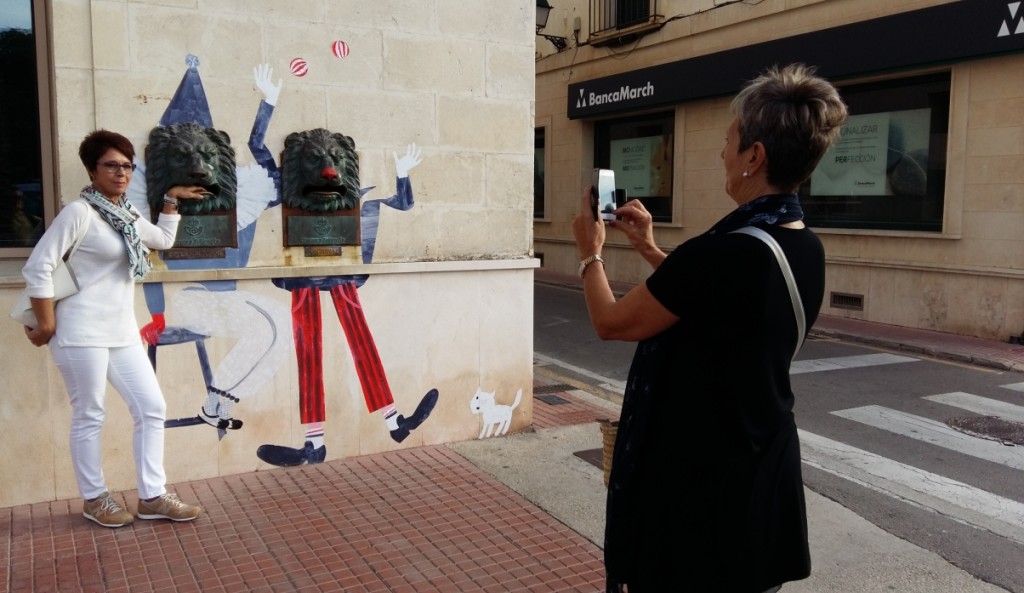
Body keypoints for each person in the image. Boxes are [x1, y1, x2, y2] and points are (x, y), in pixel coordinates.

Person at [572, 63, 848, 592]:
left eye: (729, 141)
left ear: (754, 156)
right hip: (762, 479)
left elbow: (611, 322)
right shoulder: (803, 246)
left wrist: (590, 254)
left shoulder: (720, 254)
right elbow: (718, 302)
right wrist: (651, 250)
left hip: (699, 494)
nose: (722, 153)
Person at [21, 130, 207, 528]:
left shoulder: (128, 215)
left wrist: (171, 198)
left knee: (151, 407)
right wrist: (47, 321)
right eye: (111, 165)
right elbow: (39, 266)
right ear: (92, 170)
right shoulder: (79, 213)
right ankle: (95, 499)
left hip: (121, 331)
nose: (121, 173)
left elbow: (161, 240)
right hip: (79, 331)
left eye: (127, 166)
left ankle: (152, 496)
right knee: (90, 413)